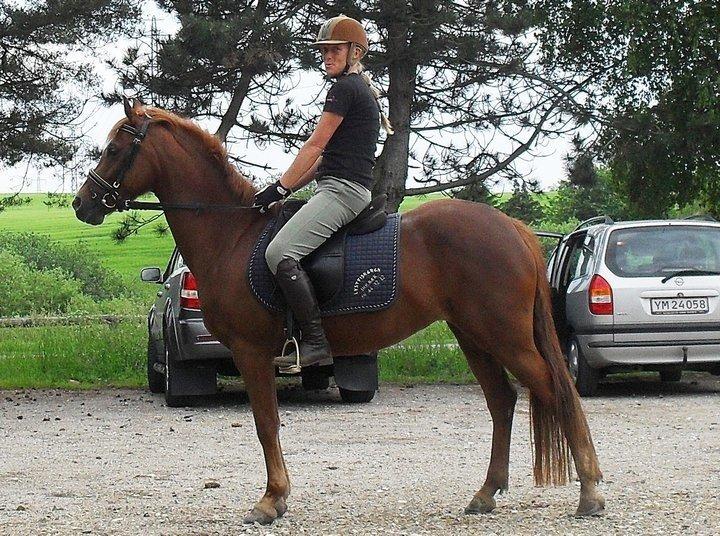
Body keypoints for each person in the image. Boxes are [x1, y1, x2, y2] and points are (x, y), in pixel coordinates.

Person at [252, 15, 393, 368]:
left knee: (280, 253)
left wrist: (281, 184)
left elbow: (315, 145)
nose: (327, 57)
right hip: (336, 185)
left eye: (334, 50)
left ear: (354, 51)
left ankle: (315, 342)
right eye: (324, 51)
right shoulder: (355, 88)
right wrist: (280, 191)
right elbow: (323, 160)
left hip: (343, 191)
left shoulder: (345, 89)